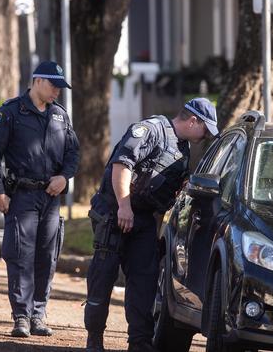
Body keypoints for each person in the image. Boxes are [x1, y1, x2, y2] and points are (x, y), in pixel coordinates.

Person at [84, 98, 219, 352]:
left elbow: (160, 197)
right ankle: (94, 339)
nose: (205, 136)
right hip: (115, 213)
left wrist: (155, 230)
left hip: (143, 220)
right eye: (205, 129)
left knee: (144, 283)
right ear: (193, 121)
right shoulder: (150, 130)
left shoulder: (182, 148)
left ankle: (139, 343)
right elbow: (122, 165)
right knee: (103, 277)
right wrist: (124, 207)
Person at [0, 61, 80, 337]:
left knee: (47, 257)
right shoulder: (12, 112)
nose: (57, 93)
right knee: (20, 256)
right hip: (22, 196)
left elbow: (73, 153)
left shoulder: (61, 116)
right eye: (53, 86)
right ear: (37, 81)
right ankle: (21, 317)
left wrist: (65, 177)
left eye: (60, 88)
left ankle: (39, 314)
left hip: (50, 199)